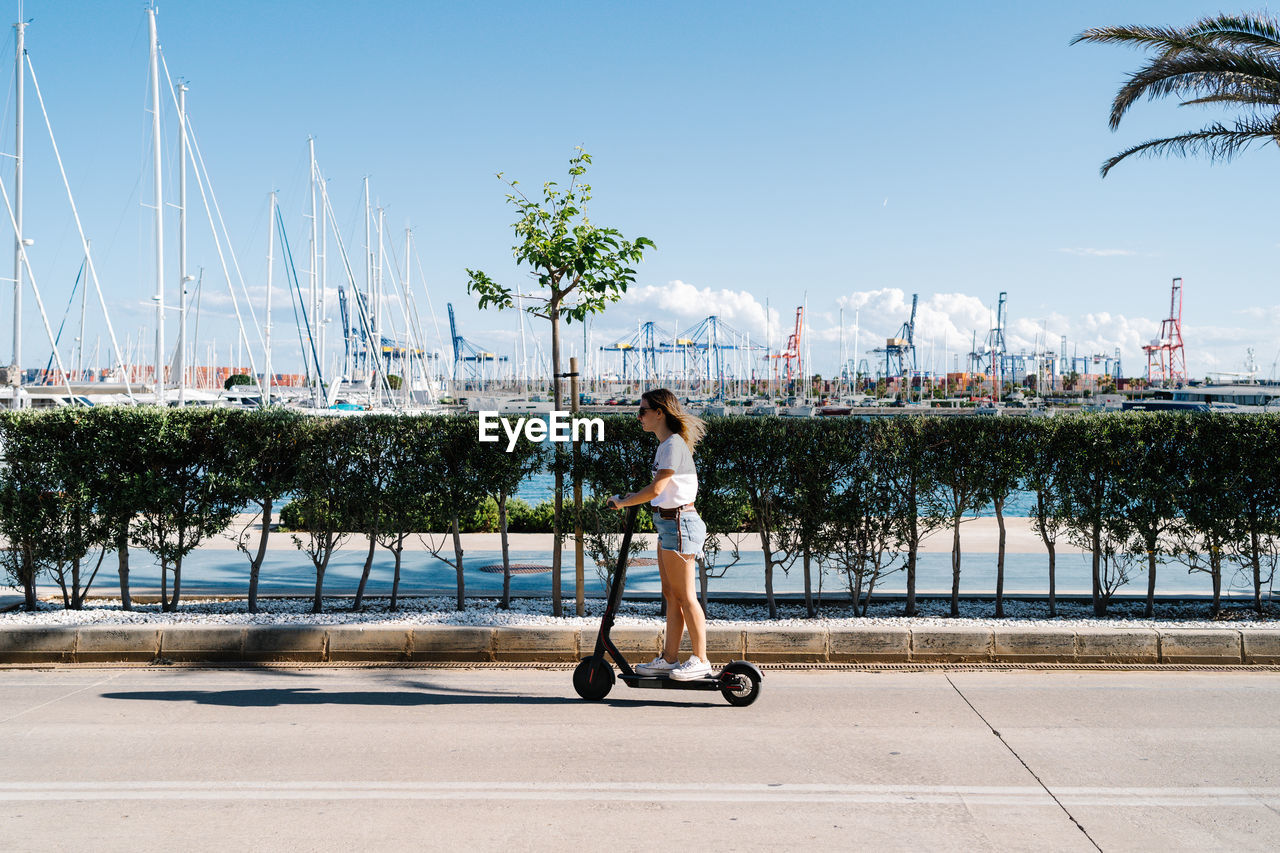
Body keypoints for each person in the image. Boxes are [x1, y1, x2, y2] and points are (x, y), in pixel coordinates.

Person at [607, 389, 710, 680]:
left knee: (686, 596)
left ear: (659, 413)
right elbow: (658, 491)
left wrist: (626, 502)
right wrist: (630, 497)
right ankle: (669, 659)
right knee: (671, 595)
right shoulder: (666, 444)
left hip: (680, 524)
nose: (638, 417)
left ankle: (701, 659)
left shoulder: (672, 444)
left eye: (642, 411)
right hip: (668, 524)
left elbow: (657, 490)